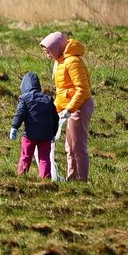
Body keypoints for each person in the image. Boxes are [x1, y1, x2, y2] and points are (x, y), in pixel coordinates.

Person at [39, 32, 94, 182]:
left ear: (56, 48)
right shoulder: (61, 61)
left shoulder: (73, 62)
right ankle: (72, 178)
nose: (47, 55)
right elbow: (62, 91)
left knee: (77, 147)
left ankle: (81, 180)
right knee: (69, 148)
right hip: (68, 109)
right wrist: (53, 111)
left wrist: (69, 109)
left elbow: (83, 90)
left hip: (79, 107)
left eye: (48, 51)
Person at [10, 72, 60, 179]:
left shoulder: (24, 98)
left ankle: (22, 176)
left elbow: (20, 114)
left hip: (29, 135)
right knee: (44, 158)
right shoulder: (48, 99)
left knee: (26, 156)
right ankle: (45, 179)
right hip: (46, 135)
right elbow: (55, 118)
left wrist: (14, 127)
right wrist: (53, 133)